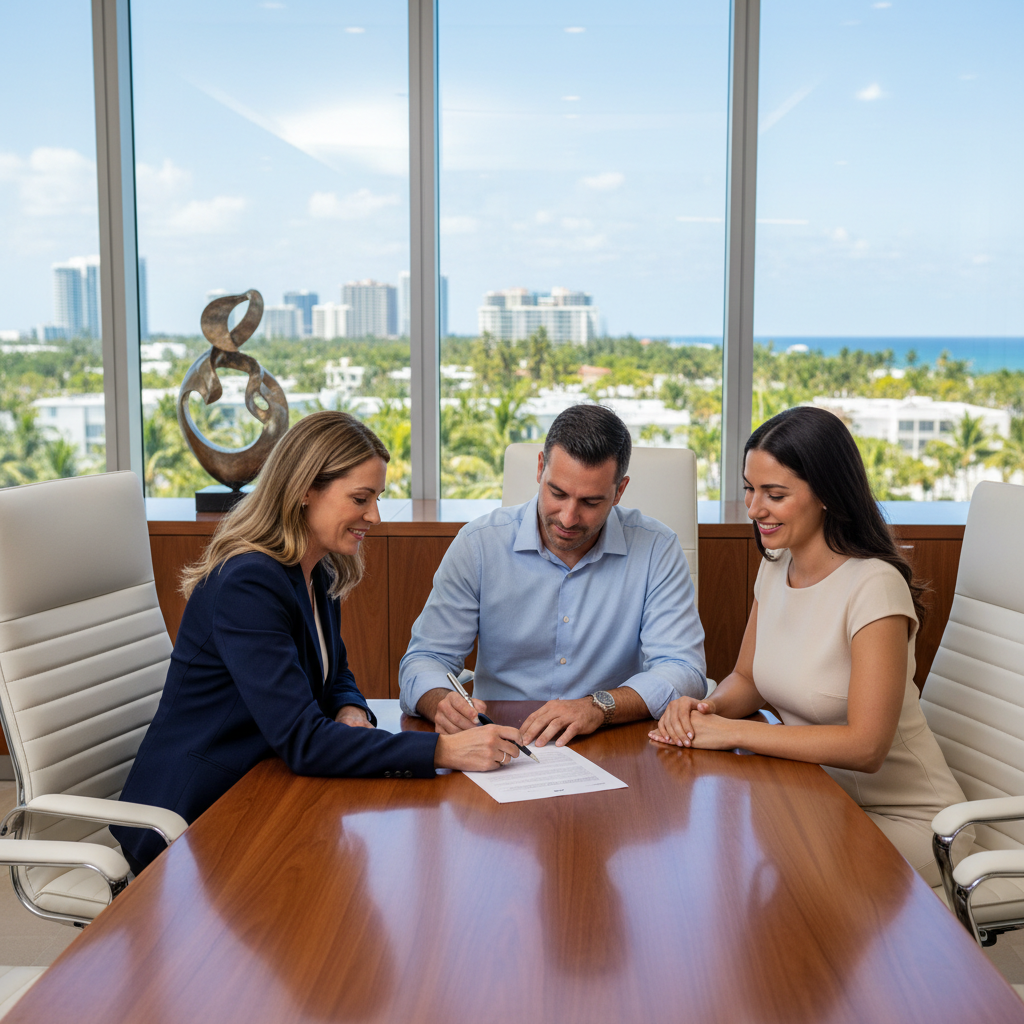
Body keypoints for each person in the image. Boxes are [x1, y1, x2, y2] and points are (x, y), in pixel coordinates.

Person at [112, 412, 524, 874]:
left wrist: (350, 709)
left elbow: (334, 674)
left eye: (377, 498)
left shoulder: (316, 570)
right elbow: (304, 740)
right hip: (191, 821)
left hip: (260, 786)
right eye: (360, 499)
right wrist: (446, 752)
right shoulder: (248, 584)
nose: (375, 516)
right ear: (306, 489)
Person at [649, 405, 968, 885]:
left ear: (825, 495)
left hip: (914, 821)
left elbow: (866, 747)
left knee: (789, 884)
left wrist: (735, 734)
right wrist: (708, 710)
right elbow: (749, 679)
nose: (755, 509)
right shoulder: (775, 565)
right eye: (749, 490)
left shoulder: (874, 587)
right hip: (823, 796)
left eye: (775, 494)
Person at [399, 404, 706, 748]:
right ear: (541, 469)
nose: (569, 517)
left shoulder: (656, 547)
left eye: (591, 502)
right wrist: (440, 701)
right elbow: (425, 659)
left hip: (613, 739)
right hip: (499, 739)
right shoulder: (479, 544)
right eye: (557, 493)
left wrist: (598, 707)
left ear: (619, 491)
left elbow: (684, 669)